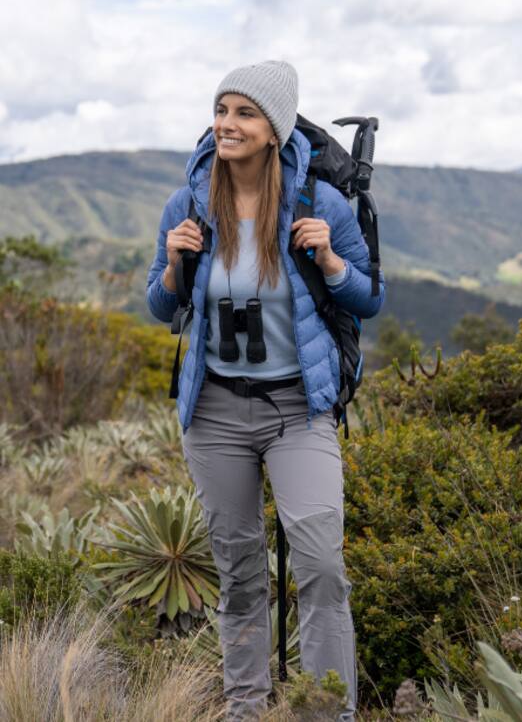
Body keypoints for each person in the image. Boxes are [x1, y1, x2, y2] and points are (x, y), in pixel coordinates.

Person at [145, 60, 385, 720]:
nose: (227, 124)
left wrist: (333, 263)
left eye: (245, 113)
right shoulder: (189, 203)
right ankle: (245, 709)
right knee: (241, 574)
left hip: (297, 411)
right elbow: (160, 309)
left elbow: (369, 299)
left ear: (274, 129)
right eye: (222, 110)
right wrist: (172, 265)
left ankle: (325, 712)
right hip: (214, 413)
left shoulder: (321, 205)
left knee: (321, 570)